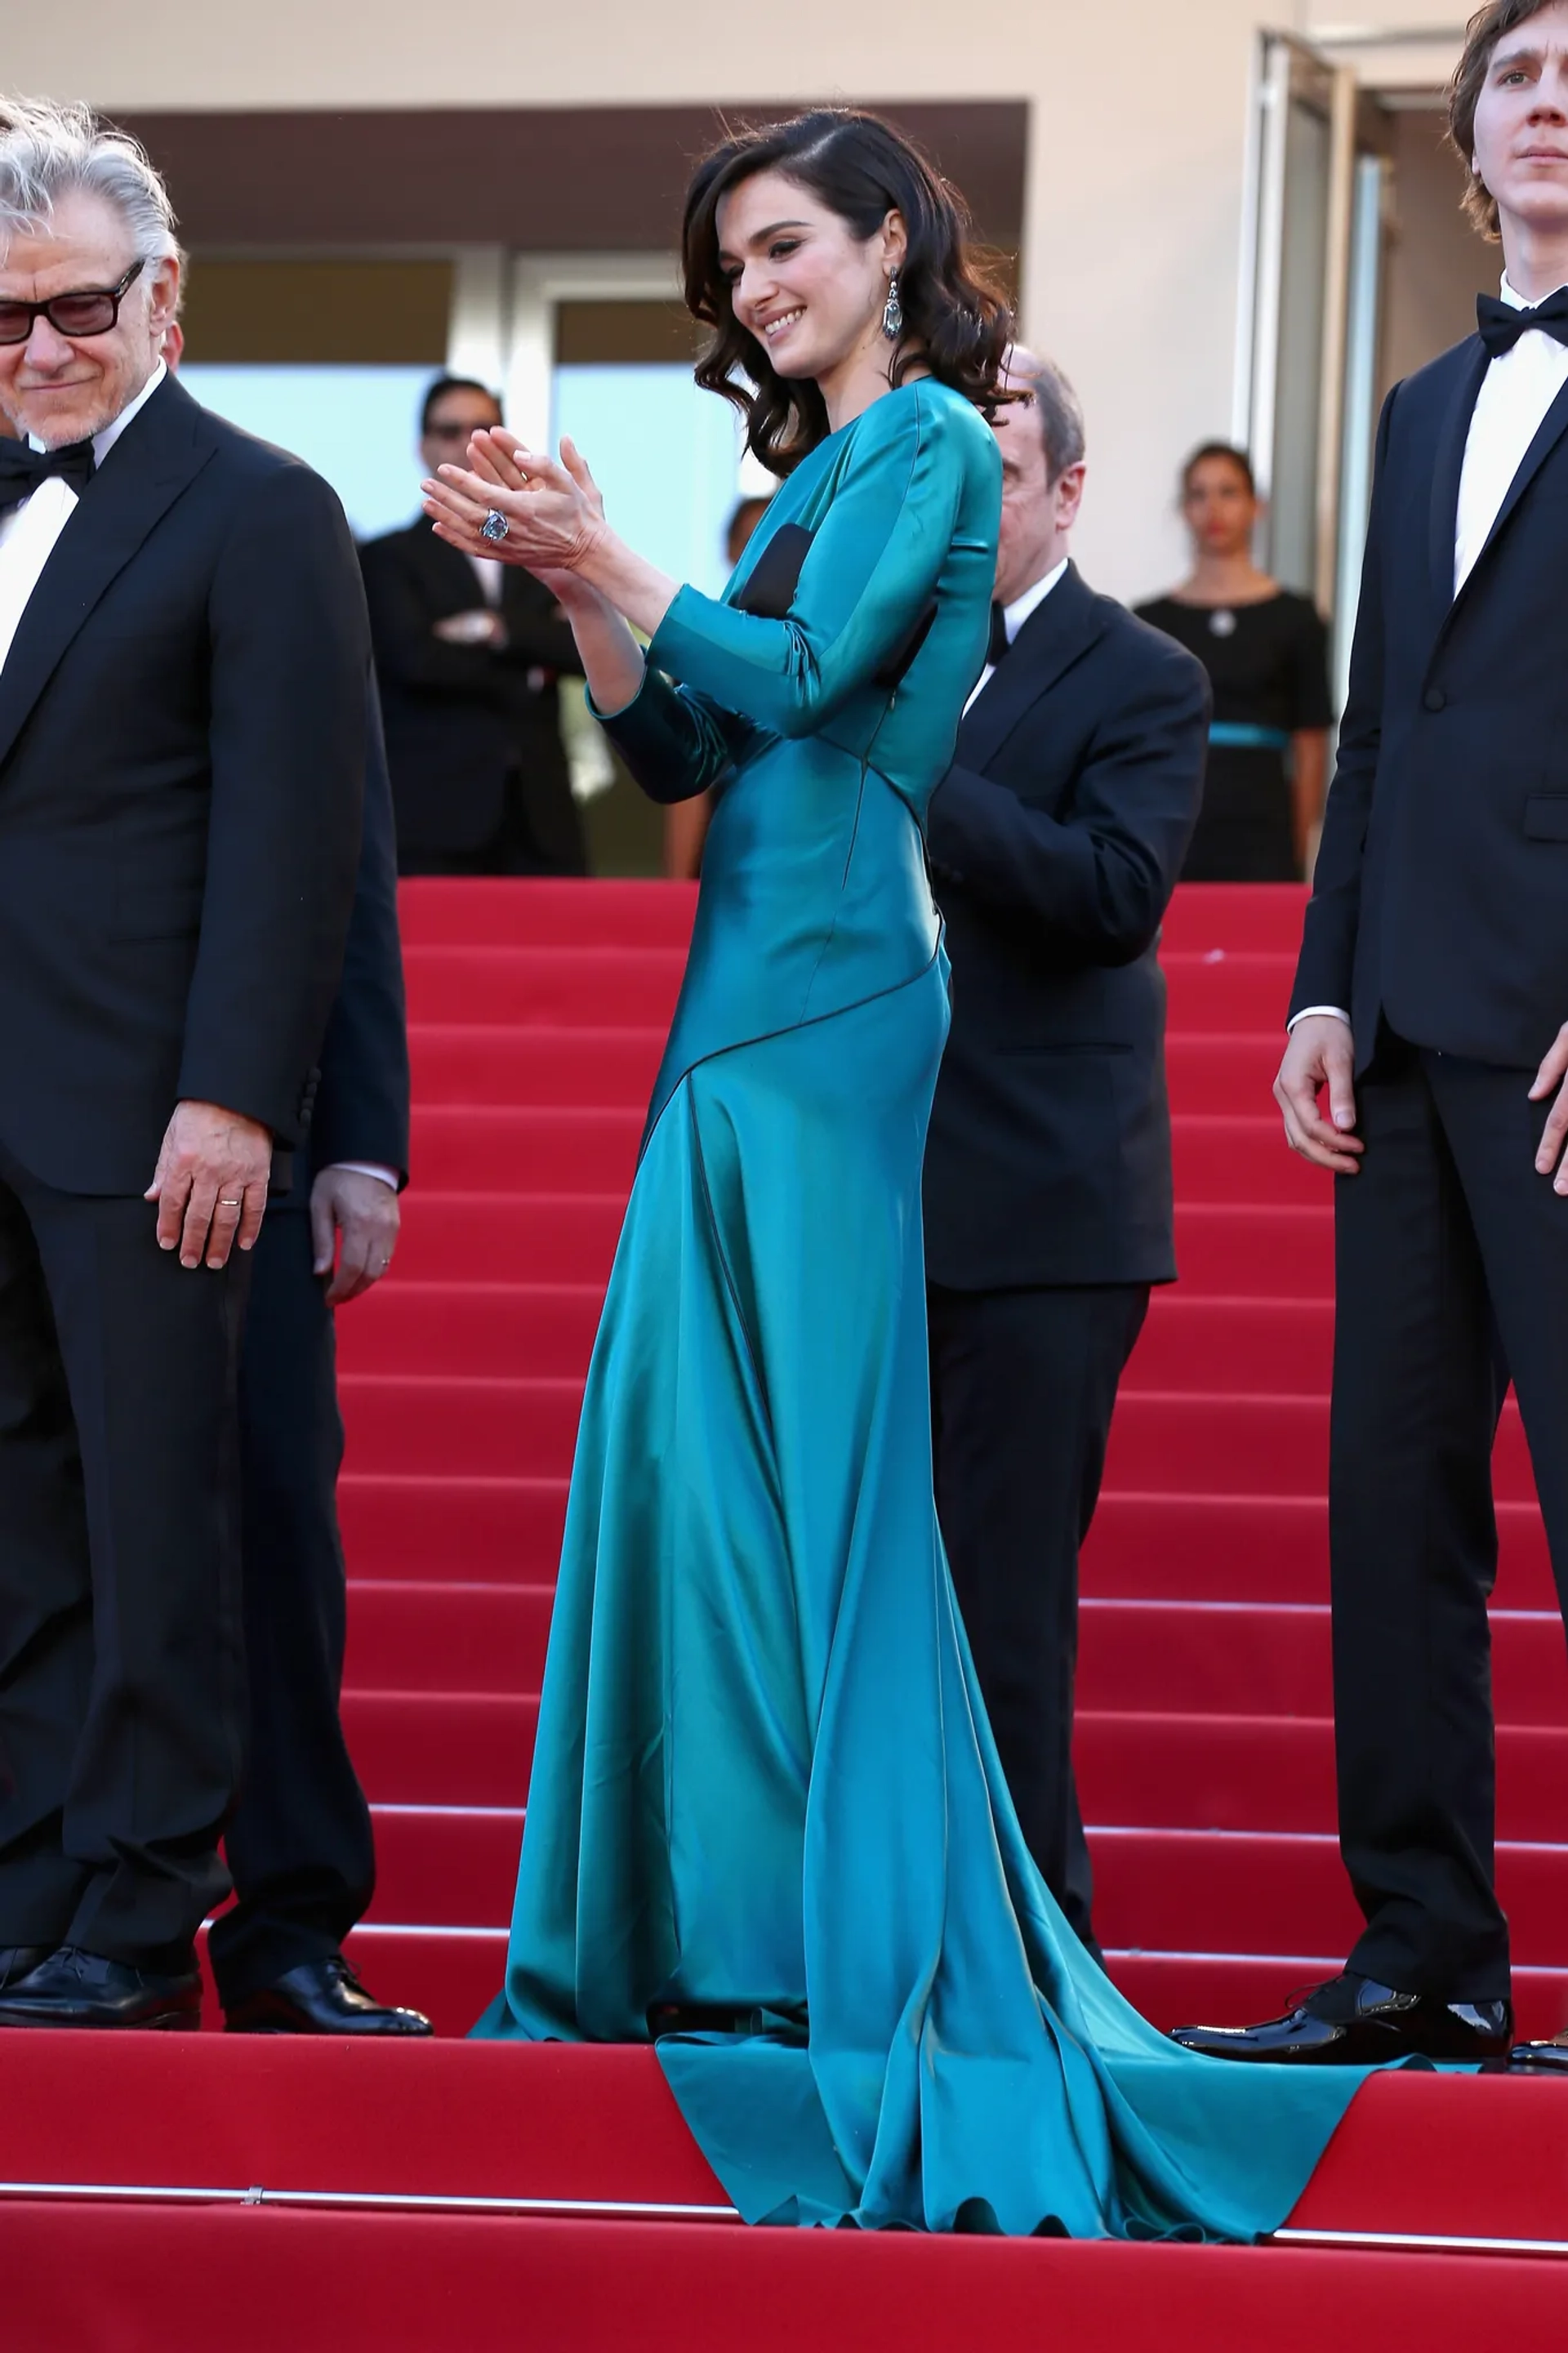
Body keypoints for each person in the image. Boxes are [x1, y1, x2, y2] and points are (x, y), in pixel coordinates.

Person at [425, 107, 1374, 2238]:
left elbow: (809, 687)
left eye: (779, 249)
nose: (751, 291)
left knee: (839, 1508)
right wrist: (579, 577)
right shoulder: (798, 482)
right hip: (735, 976)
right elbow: (674, 744)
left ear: (883, 243)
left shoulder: (942, 439)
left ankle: (838, 1953)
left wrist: (630, 572)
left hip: (845, 987)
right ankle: (709, 1935)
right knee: (700, 1480)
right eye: (725, 270)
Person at [1174, 0, 1568, 2073]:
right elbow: (1392, 719)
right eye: (1517, 73)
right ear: (1465, 131)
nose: (1552, 101)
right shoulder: (1421, 402)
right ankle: (1423, 1948)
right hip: (1407, 1021)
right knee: (1387, 1500)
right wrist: (1323, 976)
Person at [0, 100, 367, 2029]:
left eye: (73, 306)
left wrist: (244, 1096)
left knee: (164, 1518)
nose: (40, 348)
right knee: (21, 1521)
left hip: (151, 1110)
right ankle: (29, 1891)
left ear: (164, 292)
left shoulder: (262, 507)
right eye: (3, 320)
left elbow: (302, 836)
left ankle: (141, 1917)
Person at [157, 317, 427, 2034]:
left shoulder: (260, 517)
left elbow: (336, 840)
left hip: (227, 1114)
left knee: (261, 1507)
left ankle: (289, 1916)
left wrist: (356, 1134)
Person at [923, 351, 1208, 1954]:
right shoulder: (862, 648)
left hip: (1043, 1219)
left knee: (1000, 1611)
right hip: (857, 1199)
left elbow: (1111, 900)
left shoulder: (1141, 675)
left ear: (1072, 493)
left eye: (1002, 478)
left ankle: (1028, 1962)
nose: (968, 511)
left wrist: (915, 763)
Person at [360, 374, 588, 877]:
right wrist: (531, 662)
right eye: (450, 430)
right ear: (424, 446)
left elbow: (582, 648)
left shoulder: (544, 552)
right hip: (434, 823)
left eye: (483, 429)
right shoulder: (389, 559)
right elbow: (414, 660)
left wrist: (493, 629)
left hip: (541, 820)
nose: (467, 444)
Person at [1137, 446, 1331, 880]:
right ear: (1184, 510)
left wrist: (1300, 848)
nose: (1214, 508)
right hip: (1172, 825)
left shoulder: (1297, 618)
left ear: (1255, 506)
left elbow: (1311, 745)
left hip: (1264, 827)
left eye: (1228, 492)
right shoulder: (1149, 622)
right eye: (1199, 494)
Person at [662, 493, 772, 879]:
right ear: (729, 550)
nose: (761, 553)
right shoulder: (701, 645)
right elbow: (689, 783)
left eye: (773, 539)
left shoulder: (825, 647)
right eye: (750, 540)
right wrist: (674, 890)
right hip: (728, 858)